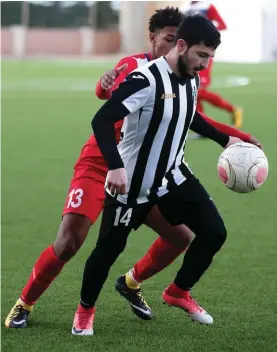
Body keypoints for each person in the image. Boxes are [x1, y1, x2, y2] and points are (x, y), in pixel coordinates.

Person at [5, 8, 260, 330]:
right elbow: (104, 104)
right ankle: (25, 302)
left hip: (145, 171)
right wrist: (103, 83)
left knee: (180, 237)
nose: (171, 47)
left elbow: (189, 117)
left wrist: (235, 138)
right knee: (70, 242)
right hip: (103, 165)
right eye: (168, 39)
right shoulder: (138, 69)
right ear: (156, 38)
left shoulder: (184, 77)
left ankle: (132, 283)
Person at [71, 14, 252, 336]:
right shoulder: (145, 80)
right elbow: (102, 120)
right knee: (107, 252)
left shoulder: (191, 78)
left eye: (210, 57)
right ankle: (85, 310)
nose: (205, 64)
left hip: (173, 177)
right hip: (132, 184)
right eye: (201, 55)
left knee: (214, 232)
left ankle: (178, 292)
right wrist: (115, 166)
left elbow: (189, 117)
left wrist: (226, 139)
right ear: (181, 46)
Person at [189, 1, 243, 128]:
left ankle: (232, 109)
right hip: (190, 54)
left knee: (198, 90)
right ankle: (202, 127)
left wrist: (206, 29)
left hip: (203, 54)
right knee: (194, 91)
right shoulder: (189, 8)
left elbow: (222, 25)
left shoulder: (207, 7)